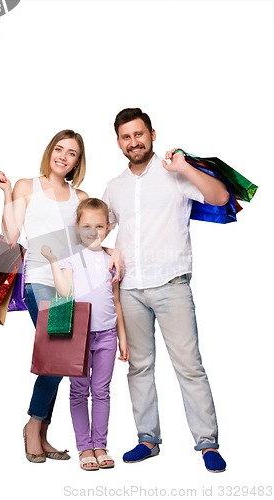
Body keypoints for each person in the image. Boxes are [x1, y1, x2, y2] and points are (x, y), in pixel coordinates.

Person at [102, 108, 229, 473]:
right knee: (139, 367)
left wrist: (186, 167)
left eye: (139, 134)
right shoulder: (114, 186)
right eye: (126, 137)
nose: (133, 142)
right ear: (119, 142)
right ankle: (147, 439)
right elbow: (97, 230)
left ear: (152, 134)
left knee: (189, 367)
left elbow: (219, 197)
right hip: (130, 290)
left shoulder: (174, 172)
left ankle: (207, 444)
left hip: (172, 285)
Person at [0, 130, 122, 463]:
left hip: (69, 283)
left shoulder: (80, 197)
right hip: (38, 279)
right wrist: (7, 195)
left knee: (62, 359)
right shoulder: (26, 186)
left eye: (72, 153)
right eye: (59, 149)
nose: (63, 157)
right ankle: (33, 425)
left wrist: (110, 249)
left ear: (79, 161)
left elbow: (88, 240)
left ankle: (42, 430)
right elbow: (9, 236)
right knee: (59, 350)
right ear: (50, 151)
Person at [41, 197, 129, 471]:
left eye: (100, 226)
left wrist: (122, 337)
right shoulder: (71, 257)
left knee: (102, 391)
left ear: (108, 227)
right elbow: (64, 293)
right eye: (87, 225)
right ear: (77, 225)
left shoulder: (110, 259)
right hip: (76, 336)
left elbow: (116, 300)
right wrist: (54, 261)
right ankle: (85, 447)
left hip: (106, 336)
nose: (94, 231)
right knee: (79, 391)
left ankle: (100, 444)